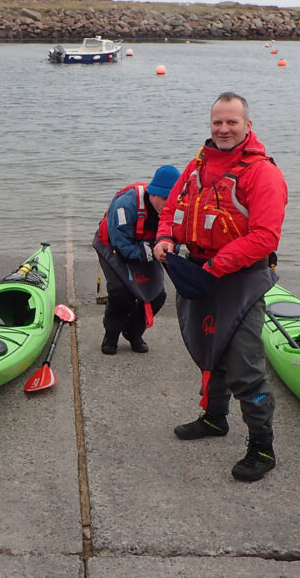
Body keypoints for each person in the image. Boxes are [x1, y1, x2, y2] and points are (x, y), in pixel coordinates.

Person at [153, 92, 288, 482]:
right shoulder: (197, 166)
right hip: (202, 274)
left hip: (240, 280)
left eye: (232, 122)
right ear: (210, 125)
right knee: (207, 350)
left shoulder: (262, 173)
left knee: (244, 367)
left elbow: (265, 236)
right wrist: (163, 240)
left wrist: (215, 267)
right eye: (217, 122)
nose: (224, 129)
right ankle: (215, 419)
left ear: (247, 124)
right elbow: (171, 211)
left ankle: (262, 446)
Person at [92, 164, 180, 355]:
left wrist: (169, 251)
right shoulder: (126, 204)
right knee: (121, 294)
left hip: (147, 247)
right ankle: (111, 335)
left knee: (158, 296)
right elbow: (121, 244)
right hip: (113, 247)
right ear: (153, 193)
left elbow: (176, 238)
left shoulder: (174, 209)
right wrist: (152, 253)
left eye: (172, 200)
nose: (168, 204)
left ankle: (133, 332)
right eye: (164, 199)